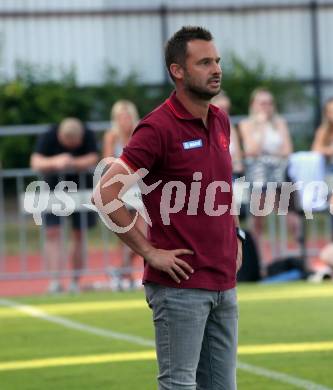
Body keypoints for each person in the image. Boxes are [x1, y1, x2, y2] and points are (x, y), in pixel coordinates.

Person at [93, 26, 243, 389]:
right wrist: (148, 252)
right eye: (204, 62)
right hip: (180, 285)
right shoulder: (156, 128)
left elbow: (222, 187)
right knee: (179, 385)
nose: (216, 69)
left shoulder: (220, 119)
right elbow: (105, 194)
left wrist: (236, 234)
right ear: (178, 71)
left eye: (217, 61)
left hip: (224, 280)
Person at [31, 117, 99, 293]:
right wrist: (56, 162)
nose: (70, 147)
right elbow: (36, 162)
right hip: (53, 189)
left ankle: (76, 281)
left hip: (82, 189)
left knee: (79, 234)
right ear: (60, 136)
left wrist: (72, 163)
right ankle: (55, 281)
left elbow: (94, 157)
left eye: (73, 144)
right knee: (52, 233)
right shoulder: (49, 134)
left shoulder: (87, 133)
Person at [238, 88, 294, 263]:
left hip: (278, 174)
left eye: (269, 103)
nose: (266, 107)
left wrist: (269, 153)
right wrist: (261, 127)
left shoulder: (280, 123)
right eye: (262, 103)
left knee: (287, 215)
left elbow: (287, 150)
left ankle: (283, 256)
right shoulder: (246, 124)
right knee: (258, 219)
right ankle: (259, 259)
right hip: (257, 176)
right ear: (253, 105)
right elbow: (252, 150)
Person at [103, 100, 144, 290]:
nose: (125, 121)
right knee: (125, 231)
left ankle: (121, 270)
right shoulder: (112, 136)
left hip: (140, 188)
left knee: (142, 231)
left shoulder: (139, 133)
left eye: (127, 116)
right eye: (121, 117)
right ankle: (125, 274)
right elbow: (108, 161)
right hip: (120, 189)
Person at [211, 91, 243, 177]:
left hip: (232, 173)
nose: (224, 113)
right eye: (221, 108)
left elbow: (238, 156)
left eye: (226, 109)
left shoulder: (230, 127)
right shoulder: (206, 128)